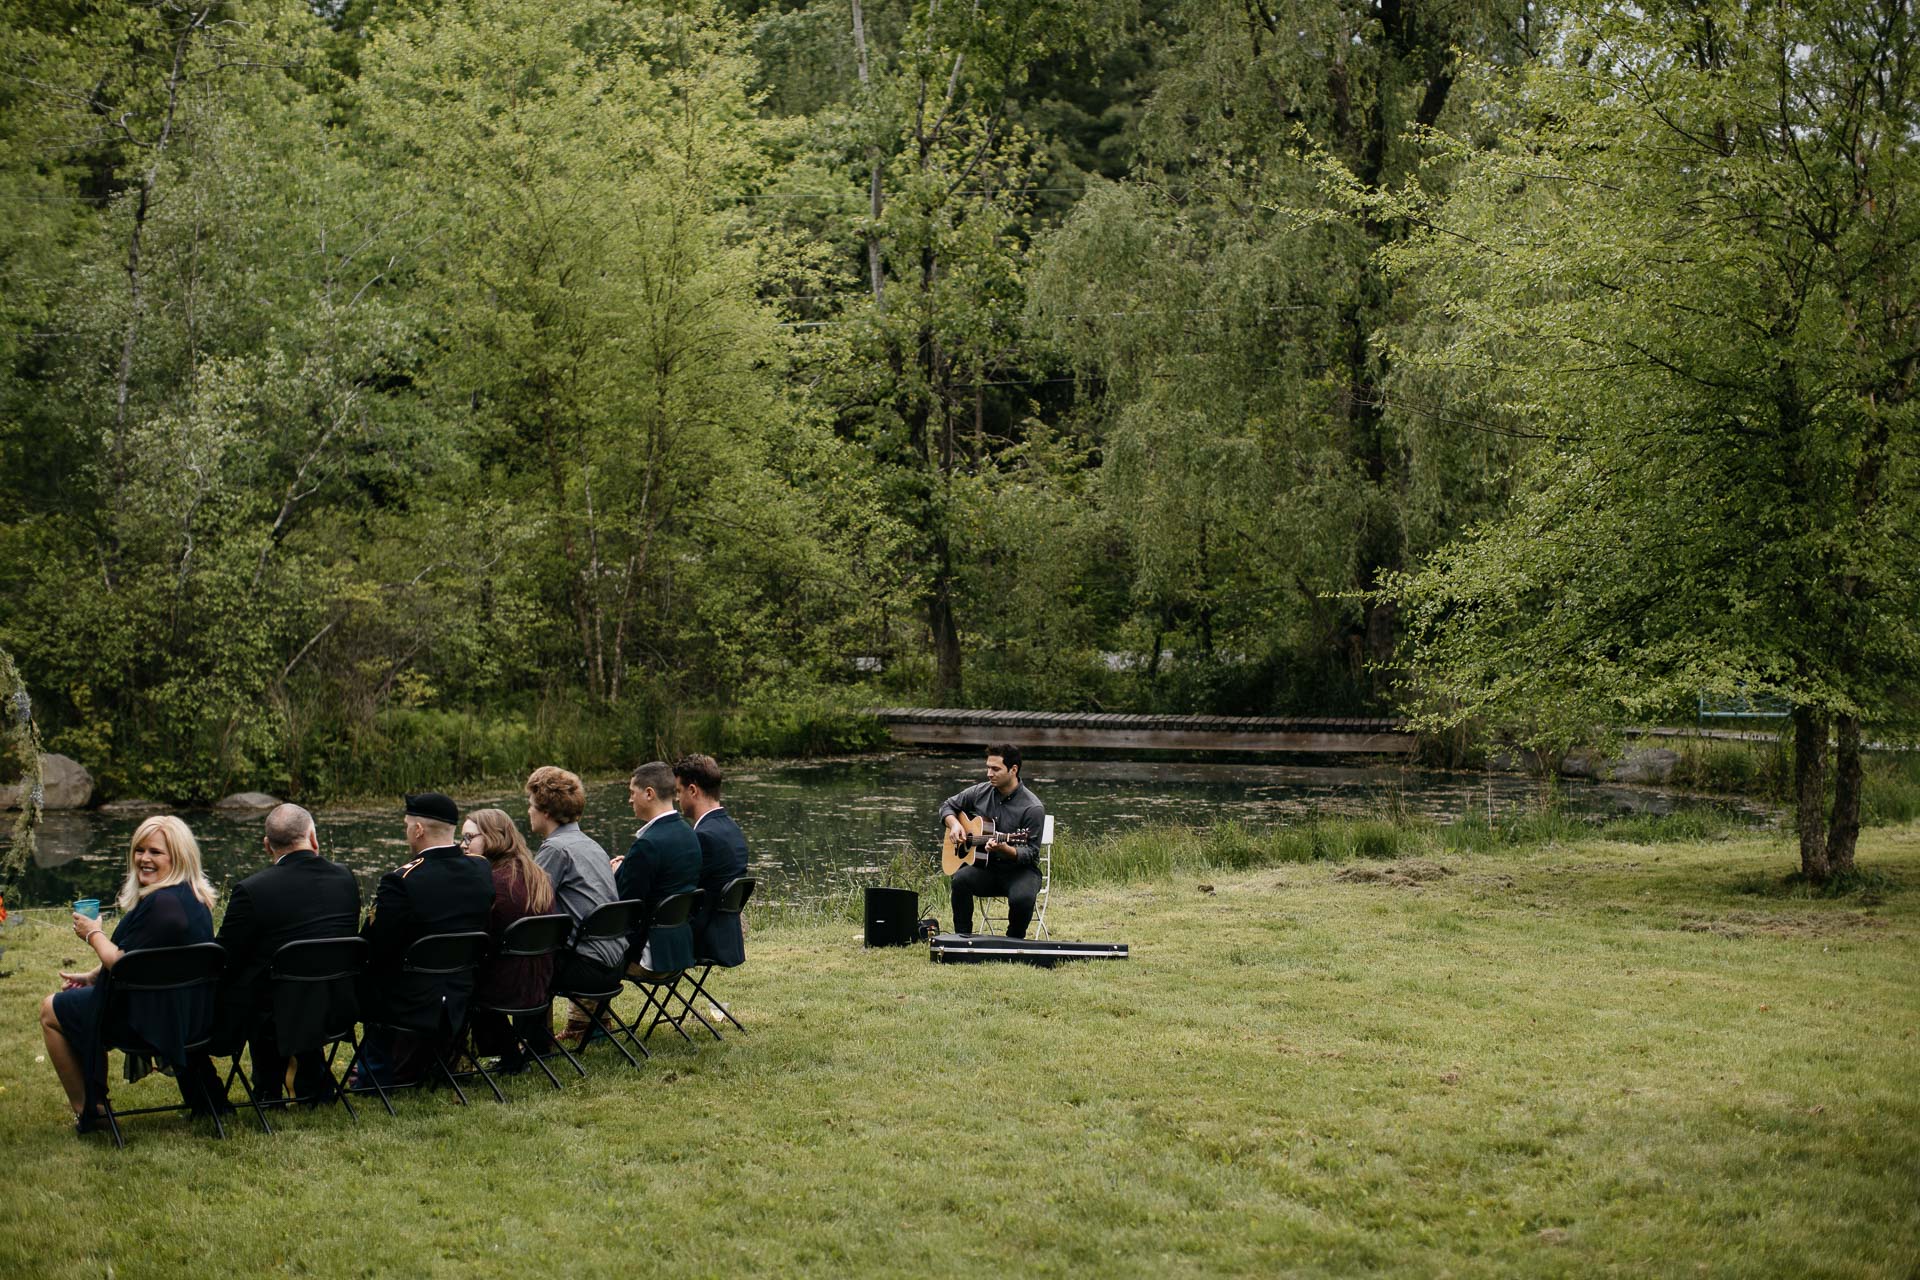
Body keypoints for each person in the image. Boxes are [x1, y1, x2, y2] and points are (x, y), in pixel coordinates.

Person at [39, 815, 218, 1132]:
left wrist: (93, 933)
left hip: (148, 1021)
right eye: (139, 850)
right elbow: (147, 956)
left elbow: (122, 964)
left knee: (51, 1009)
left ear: (177, 857)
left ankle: (89, 1109)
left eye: (155, 852)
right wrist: (94, 976)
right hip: (191, 1016)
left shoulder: (163, 905)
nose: (144, 859)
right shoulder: (194, 897)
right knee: (82, 999)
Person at [208, 803, 361, 1104]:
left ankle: (269, 1083)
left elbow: (225, 957)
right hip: (338, 1002)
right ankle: (301, 1077)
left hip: (277, 1013)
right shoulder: (345, 878)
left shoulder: (252, 890)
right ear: (312, 837)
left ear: (267, 846)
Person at [354, 792, 493, 1086]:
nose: (407, 831)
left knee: (369, 975)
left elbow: (375, 944)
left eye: (407, 824)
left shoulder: (402, 880)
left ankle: (373, 1073)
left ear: (418, 829)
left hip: (412, 998)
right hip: (462, 989)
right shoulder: (481, 869)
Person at [525, 766, 626, 1043]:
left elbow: (531, 905)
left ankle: (534, 1044)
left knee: (523, 956)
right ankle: (592, 1025)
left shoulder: (555, 850)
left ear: (546, 812)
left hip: (588, 970)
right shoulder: (591, 844)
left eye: (531, 805)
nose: (528, 811)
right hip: (614, 965)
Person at [463, 808, 556, 1068]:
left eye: (470, 838)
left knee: (461, 974)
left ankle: (506, 1053)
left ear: (493, 837)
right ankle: (528, 1045)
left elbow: (480, 940)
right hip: (542, 980)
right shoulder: (537, 874)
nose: (463, 845)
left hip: (505, 987)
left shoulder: (493, 884)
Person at [939, 743, 1047, 938]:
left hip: (1020, 871)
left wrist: (1005, 849)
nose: (989, 773)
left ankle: (1014, 941)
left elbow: (1030, 852)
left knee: (1022, 898)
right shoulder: (981, 792)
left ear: (1013, 770)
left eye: (995, 769)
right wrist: (954, 824)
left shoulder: (1033, 808)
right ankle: (962, 939)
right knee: (960, 881)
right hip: (986, 869)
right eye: (988, 767)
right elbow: (947, 806)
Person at [611, 760, 702, 975]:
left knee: (586, 960)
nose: (630, 799)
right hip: (680, 951)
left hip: (649, 957)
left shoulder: (647, 844)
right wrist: (629, 866)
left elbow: (626, 907)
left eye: (633, 792)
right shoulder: (689, 833)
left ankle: (586, 1010)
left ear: (649, 793)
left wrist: (615, 874)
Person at [673, 753, 749, 945]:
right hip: (727, 933)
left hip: (704, 938)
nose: (676, 798)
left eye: (678, 791)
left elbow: (679, 887)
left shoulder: (703, 836)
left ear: (692, 791)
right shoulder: (732, 828)